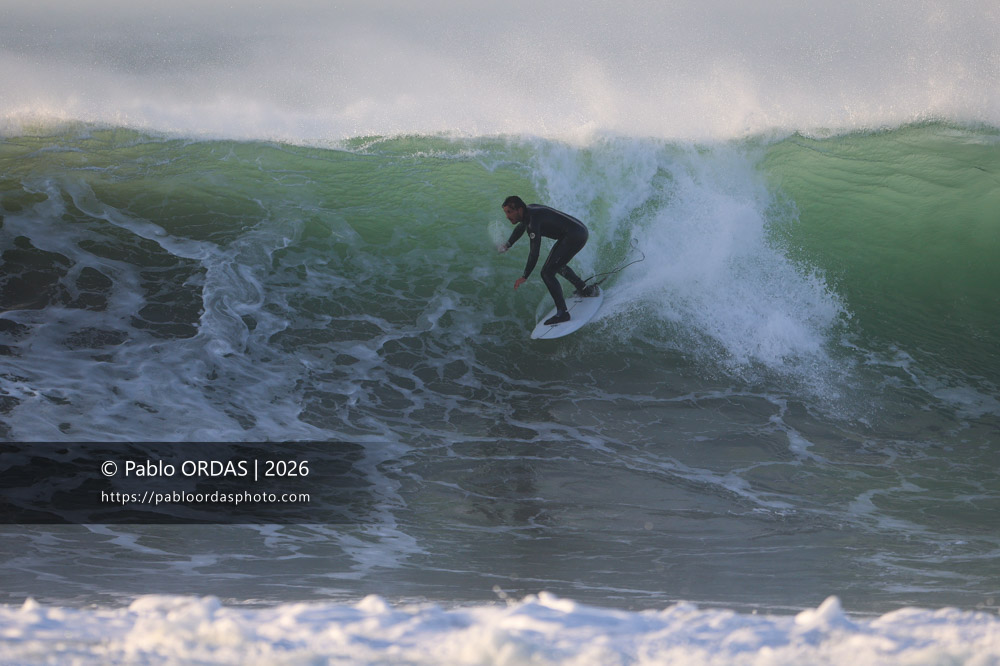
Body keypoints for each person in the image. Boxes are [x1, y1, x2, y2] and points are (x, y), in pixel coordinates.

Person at [498, 195, 598, 325]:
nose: (507, 216)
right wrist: (508, 244)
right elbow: (520, 227)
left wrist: (525, 275)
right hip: (579, 231)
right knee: (557, 265)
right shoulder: (530, 210)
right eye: (506, 212)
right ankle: (585, 289)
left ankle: (562, 313)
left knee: (547, 272)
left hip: (573, 236)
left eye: (509, 212)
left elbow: (534, 253)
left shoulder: (533, 222)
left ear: (519, 209)